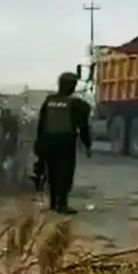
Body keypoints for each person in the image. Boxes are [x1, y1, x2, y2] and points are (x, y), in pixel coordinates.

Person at [34, 72, 92, 215]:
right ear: (72, 86)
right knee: (65, 173)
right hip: (65, 142)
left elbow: (41, 124)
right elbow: (83, 126)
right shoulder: (77, 104)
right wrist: (87, 144)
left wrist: (39, 143)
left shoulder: (49, 100)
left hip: (48, 141)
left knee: (52, 172)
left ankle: (53, 203)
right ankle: (63, 204)